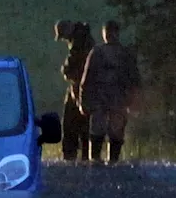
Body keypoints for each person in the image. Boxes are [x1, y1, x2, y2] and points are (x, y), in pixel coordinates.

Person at [79, 20, 141, 164]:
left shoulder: (98, 52)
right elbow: (134, 79)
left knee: (102, 130)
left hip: (105, 98)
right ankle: (108, 160)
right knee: (112, 130)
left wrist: (84, 101)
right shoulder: (123, 53)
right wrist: (133, 100)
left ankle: (97, 159)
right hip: (114, 98)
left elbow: (86, 79)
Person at [55, 20, 94, 162]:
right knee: (83, 124)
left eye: (63, 37)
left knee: (71, 123)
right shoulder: (83, 38)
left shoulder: (79, 42)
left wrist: (66, 70)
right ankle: (85, 155)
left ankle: (71, 156)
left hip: (80, 87)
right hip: (84, 87)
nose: (64, 40)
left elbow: (74, 66)